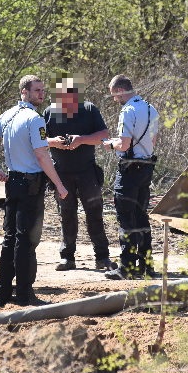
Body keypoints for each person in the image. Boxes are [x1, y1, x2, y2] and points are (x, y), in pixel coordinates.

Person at [0, 74, 69, 306]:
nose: (42, 94)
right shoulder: (35, 118)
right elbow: (41, 155)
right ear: (24, 92)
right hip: (31, 184)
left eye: (42, 90)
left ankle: (3, 293)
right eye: (37, 90)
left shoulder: (8, 115)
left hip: (13, 181)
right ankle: (24, 293)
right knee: (26, 240)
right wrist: (59, 184)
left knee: (10, 237)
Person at [43, 74, 116, 271]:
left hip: (87, 172)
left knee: (95, 214)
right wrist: (55, 142)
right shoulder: (49, 112)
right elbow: (40, 140)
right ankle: (67, 257)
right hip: (61, 173)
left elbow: (103, 135)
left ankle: (102, 257)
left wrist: (81, 139)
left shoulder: (89, 109)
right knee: (66, 214)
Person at [101, 74, 160, 280]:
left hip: (129, 170)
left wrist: (109, 144)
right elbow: (153, 141)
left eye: (114, 96)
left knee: (126, 219)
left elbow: (124, 145)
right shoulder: (151, 108)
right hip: (146, 168)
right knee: (142, 217)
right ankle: (147, 266)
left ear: (119, 91)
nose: (115, 100)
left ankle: (126, 267)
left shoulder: (128, 111)